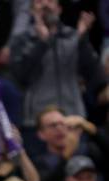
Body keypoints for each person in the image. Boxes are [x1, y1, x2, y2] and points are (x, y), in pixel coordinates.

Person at [10, 0, 107, 129]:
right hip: (38, 120)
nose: (45, 4)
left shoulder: (73, 36)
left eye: (50, 1)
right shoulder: (23, 38)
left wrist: (82, 40)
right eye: (39, 1)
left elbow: (92, 73)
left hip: (73, 117)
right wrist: (42, 43)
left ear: (59, 8)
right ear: (32, 10)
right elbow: (21, 76)